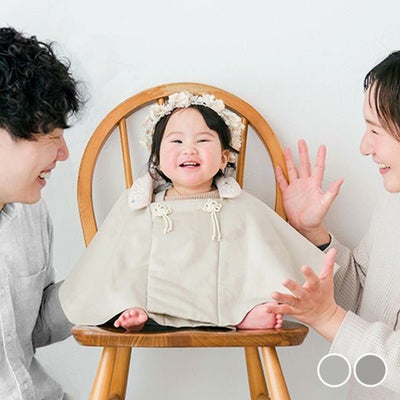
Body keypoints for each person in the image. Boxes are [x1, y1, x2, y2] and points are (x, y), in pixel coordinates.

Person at [60, 91, 327, 332]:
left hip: (222, 297)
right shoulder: (142, 204)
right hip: (155, 300)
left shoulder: (239, 204)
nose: (189, 149)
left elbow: (265, 252)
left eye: (202, 140)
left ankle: (241, 313)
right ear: (157, 159)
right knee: (130, 261)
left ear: (223, 158)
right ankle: (137, 310)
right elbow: (115, 257)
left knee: (244, 261)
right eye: (176, 141)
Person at [265, 51, 400, 399]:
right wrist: (314, 234)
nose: (364, 146)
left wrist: (327, 318)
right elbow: (365, 299)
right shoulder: (393, 203)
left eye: (376, 129)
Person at [0, 27, 83, 399]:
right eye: (52, 136)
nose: (63, 154)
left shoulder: (31, 211)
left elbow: (29, 330)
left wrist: (102, 281)